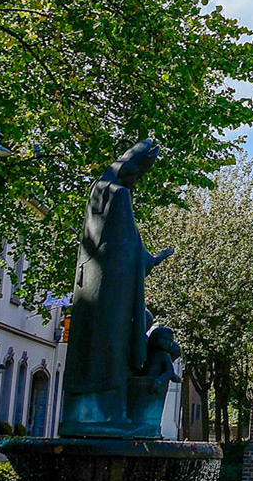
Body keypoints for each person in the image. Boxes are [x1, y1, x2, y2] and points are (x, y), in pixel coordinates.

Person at [59, 139, 175, 436]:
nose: (137, 182)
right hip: (114, 293)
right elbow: (125, 250)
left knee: (92, 347)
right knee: (112, 348)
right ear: (131, 169)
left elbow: (116, 245)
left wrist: (147, 258)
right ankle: (109, 416)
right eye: (138, 175)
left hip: (91, 287)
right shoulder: (120, 195)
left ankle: (83, 414)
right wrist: (147, 260)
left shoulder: (98, 191)